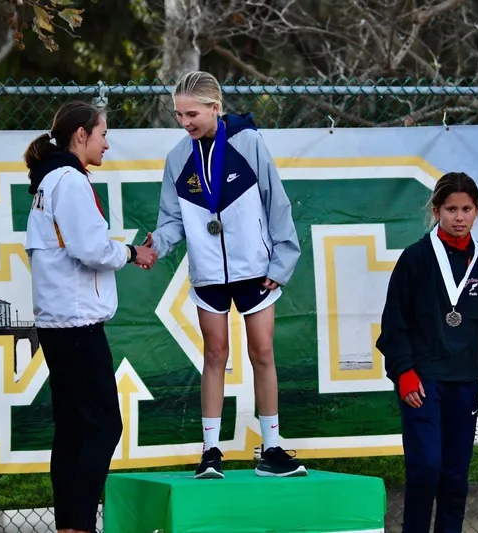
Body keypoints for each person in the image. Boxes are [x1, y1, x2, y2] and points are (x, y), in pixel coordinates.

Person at [144, 70, 305, 479]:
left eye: (192, 113)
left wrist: (281, 262)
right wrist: (155, 245)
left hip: (255, 269)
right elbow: (172, 221)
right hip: (209, 274)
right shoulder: (178, 158)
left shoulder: (248, 144)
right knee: (215, 356)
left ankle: (271, 449)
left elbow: (276, 203)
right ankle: (211, 451)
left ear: (216, 108)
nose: (185, 122)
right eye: (179, 115)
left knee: (262, 353)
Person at [24, 100, 157, 533]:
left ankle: (70, 524)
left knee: (74, 429)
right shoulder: (70, 180)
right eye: (102, 134)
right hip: (76, 324)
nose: (107, 144)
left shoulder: (51, 181)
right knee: (103, 427)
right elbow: (92, 249)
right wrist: (134, 252)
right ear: (80, 135)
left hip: (59, 323)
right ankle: (78, 525)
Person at [376, 172, 478, 533]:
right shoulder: (416, 259)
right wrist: (404, 372)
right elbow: (394, 323)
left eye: (466, 209)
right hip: (422, 383)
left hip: (465, 383)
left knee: (454, 477)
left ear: (477, 211)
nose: (459, 216)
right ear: (436, 210)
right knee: (425, 470)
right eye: (451, 209)